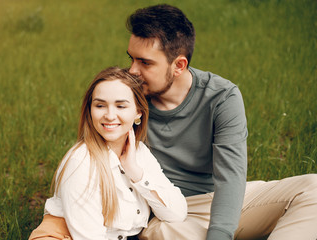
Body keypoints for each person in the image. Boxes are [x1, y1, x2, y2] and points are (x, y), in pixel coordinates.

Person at [125, 4, 317, 240]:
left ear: (179, 65)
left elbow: (231, 177)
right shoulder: (124, 98)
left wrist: (220, 233)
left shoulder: (221, 96)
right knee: (164, 233)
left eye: (145, 62)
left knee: (313, 188)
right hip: (170, 213)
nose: (132, 70)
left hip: (220, 200)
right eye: (131, 58)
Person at [28, 66, 187, 240]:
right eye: (100, 105)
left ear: (138, 112)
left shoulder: (139, 153)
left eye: (120, 106)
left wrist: (136, 173)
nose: (110, 115)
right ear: (90, 110)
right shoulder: (81, 163)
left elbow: (177, 213)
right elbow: (90, 237)